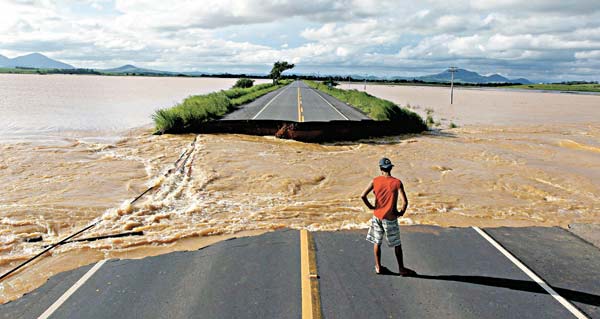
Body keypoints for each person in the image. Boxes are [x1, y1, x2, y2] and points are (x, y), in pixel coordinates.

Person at [361, 157, 416, 276]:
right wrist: (401, 213)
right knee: (397, 244)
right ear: (391, 168)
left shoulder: (375, 181)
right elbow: (405, 202)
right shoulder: (397, 182)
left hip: (377, 216)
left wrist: (371, 207)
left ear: (380, 169)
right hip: (390, 218)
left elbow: (363, 196)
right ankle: (401, 269)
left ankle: (378, 267)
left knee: (377, 242)